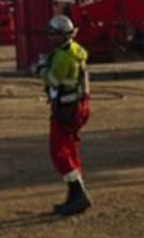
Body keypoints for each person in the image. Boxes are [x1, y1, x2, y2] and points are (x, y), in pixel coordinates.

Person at [42, 14, 92, 216]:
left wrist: (41, 70)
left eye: (52, 34)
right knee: (70, 150)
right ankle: (74, 195)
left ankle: (78, 194)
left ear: (61, 36)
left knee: (59, 152)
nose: (49, 37)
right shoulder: (76, 51)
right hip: (78, 107)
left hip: (66, 108)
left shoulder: (62, 56)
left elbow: (53, 80)